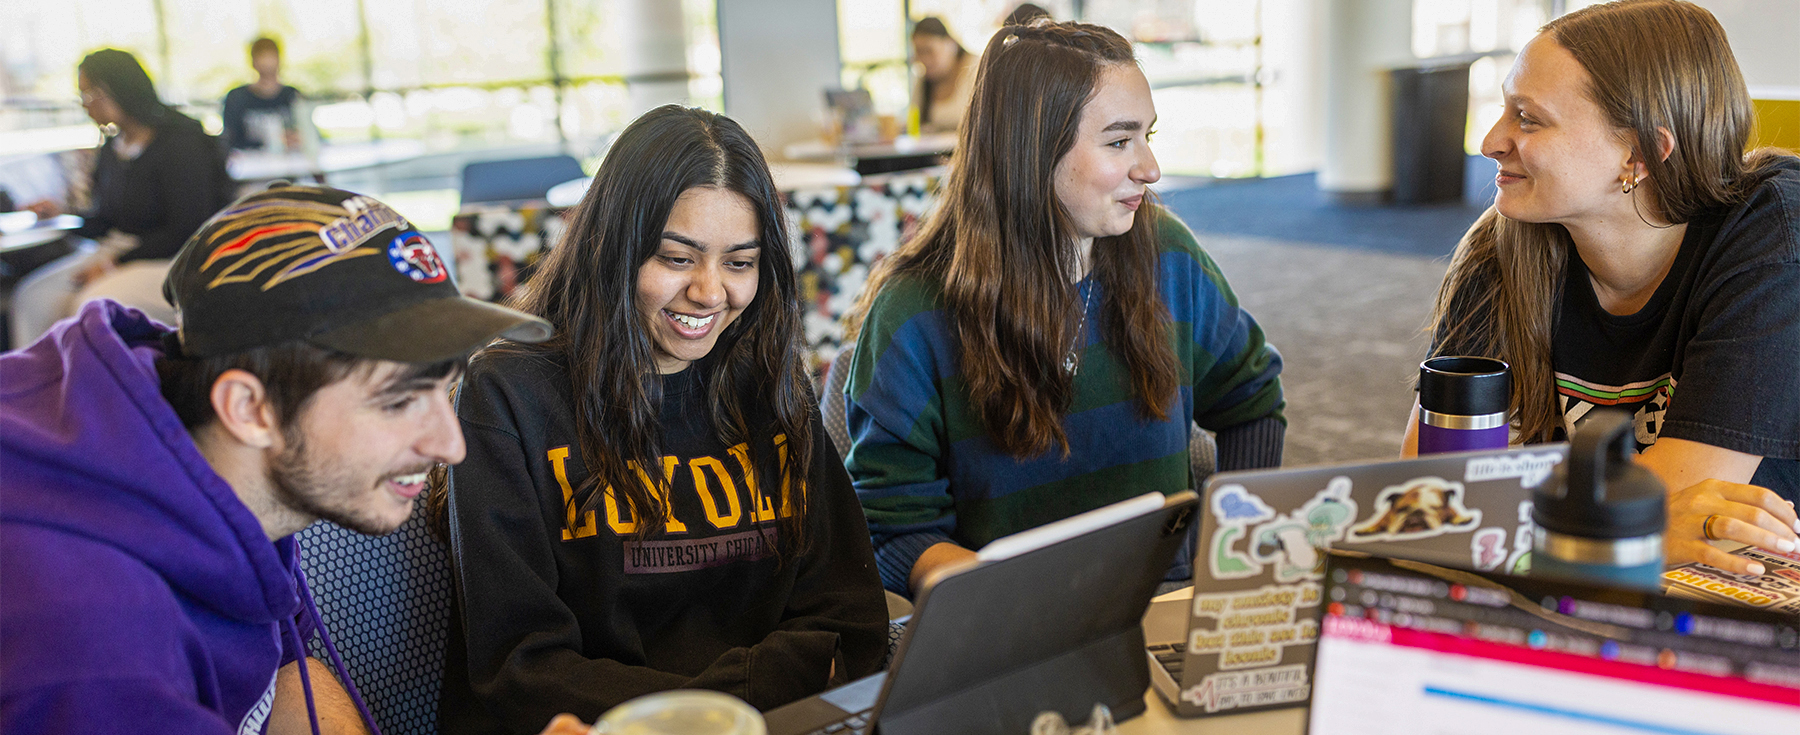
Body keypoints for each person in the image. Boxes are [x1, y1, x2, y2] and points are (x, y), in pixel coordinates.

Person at [0, 183, 597, 734]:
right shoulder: (93, 650)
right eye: (396, 402)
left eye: (440, 388)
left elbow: (283, 679)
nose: (451, 446)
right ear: (249, 409)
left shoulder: (203, 457)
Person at [435, 105, 888, 733]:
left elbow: (849, 618)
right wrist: (718, 707)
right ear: (615, 251)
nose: (710, 292)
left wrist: (734, 706)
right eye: (677, 259)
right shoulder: (509, 394)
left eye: (739, 262)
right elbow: (519, 668)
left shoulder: (769, 383)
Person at [842, 21, 1286, 598]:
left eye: (1148, 137)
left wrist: (1230, 554)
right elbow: (890, 528)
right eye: (1120, 141)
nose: (1150, 168)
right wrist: (1008, 601)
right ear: (1034, 151)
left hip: (1168, 606)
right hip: (1012, 636)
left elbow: (1251, 398)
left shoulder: (1168, 256)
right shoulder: (914, 312)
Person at [1411, 0, 1800, 576]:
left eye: (1528, 118)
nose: (1491, 140)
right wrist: (1626, 525)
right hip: (1570, 582)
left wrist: (1505, 516)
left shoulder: (1774, 233)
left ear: (1640, 153)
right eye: (1503, 110)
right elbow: (1426, 494)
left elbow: (1680, 497)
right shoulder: (1504, 243)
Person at [10, 48, 234, 349]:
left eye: (90, 94)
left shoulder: (181, 142)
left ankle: (104, 393)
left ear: (118, 88)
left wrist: (113, 263)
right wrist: (61, 214)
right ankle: (34, 389)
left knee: (90, 308)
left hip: (176, 259)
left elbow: (187, 228)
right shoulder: (113, 148)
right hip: (118, 252)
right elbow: (106, 221)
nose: (87, 106)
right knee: (32, 298)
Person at [221, 37, 303, 153]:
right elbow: (229, 139)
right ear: (253, 62)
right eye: (262, 56)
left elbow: (309, 134)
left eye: (270, 56)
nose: (267, 62)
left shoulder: (292, 96)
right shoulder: (237, 98)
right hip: (250, 164)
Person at [911, 17, 978, 134]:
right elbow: (915, 123)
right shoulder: (923, 82)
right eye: (919, 52)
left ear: (951, 44)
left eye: (929, 51)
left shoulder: (976, 69)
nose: (924, 60)